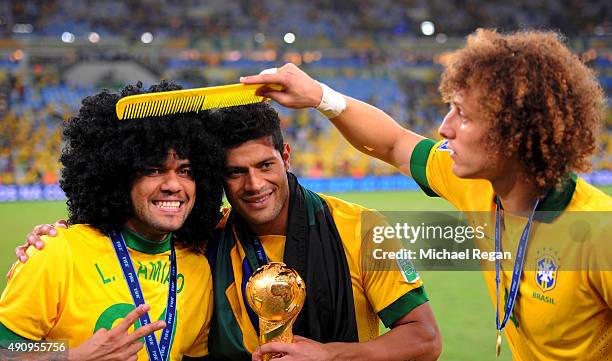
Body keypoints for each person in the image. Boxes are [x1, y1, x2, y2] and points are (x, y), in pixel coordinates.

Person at [239, 29, 612, 360]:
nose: (444, 127)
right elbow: (393, 142)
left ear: (515, 134)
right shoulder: (472, 184)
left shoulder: (600, 233)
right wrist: (320, 96)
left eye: (462, 114)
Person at [18, 103, 442, 361]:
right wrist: (64, 233)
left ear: (286, 156)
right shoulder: (204, 239)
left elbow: (424, 340)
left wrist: (329, 355)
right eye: (234, 173)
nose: (254, 185)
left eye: (265, 165)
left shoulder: (366, 230)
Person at [0, 81, 226, 360]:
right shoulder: (57, 253)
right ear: (120, 176)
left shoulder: (197, 268)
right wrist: (73, 356)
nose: (173, 185)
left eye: (186, 171)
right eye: (154, 170)